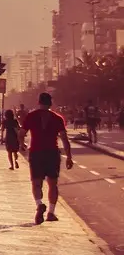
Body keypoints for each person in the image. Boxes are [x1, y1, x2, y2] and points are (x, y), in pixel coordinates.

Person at [22, 92, 73, 224]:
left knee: (36, 182)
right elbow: (64, 139)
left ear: (38, 102)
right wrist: (69, 157)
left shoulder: (31, 116)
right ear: (51, 103)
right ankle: (51, 212)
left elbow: (21, 133)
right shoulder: (57, 118)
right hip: (52, 153)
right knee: (52, 183)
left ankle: (39, 204)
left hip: (36, 152)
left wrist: (21, 144)